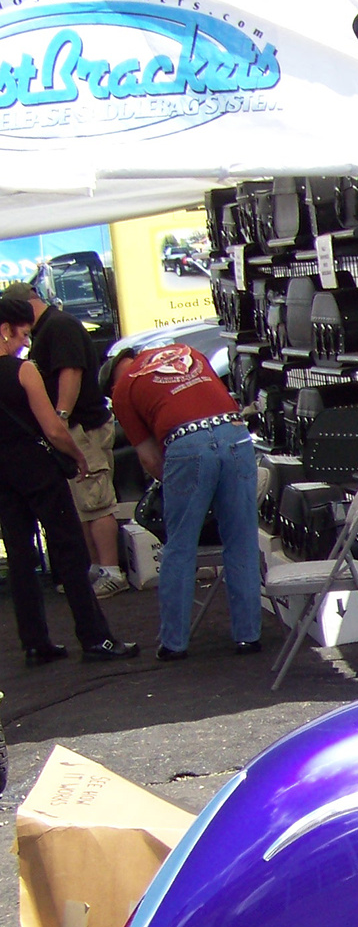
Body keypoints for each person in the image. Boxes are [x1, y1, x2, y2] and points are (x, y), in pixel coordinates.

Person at [0, 295, 137, 665]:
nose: (25, 341)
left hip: (4, 477)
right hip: (39, 472)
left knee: (20, 559)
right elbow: (54, 428)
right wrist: (77, 456)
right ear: (5, 330)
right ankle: (94, 637)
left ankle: (35, 642)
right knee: (69, 550)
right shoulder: (23, 371)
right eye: (22, 334)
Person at [107, 343, 261, 660]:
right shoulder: (185, 350)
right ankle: (248, 636)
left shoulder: (123, 390)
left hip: (186, 443)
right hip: (235, 432)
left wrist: (179, 485)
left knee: (180, 546)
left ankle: (175, 643)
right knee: (241, 540)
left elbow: (149, 458)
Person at [5, 281, 124, 597]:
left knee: (96, 498)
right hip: (74, 426)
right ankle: (97, 567)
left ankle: (111, 569)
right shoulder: (51, 327)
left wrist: (59, 417)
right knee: (83, 502)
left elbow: (70, 372)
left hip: (82, 426)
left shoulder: (58, 326)